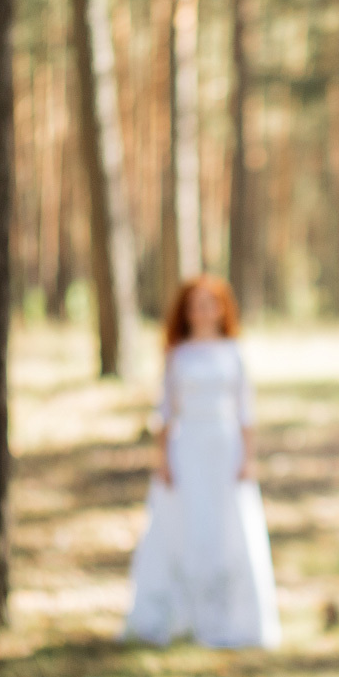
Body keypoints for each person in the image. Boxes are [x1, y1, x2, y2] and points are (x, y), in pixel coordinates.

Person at [123, 274, 280, 650]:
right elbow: (165, 409)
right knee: (186, 523)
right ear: (186, 311)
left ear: (222, 308)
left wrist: (248, 458)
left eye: (211, 303)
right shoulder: (177, 354)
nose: (203, 310)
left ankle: (228, 614)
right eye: (196, 304)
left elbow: (246, 410)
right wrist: (162, 459)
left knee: (228, 526)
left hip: (225, 449)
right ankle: (180, 612)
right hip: (187, 447)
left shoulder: (234, 352)